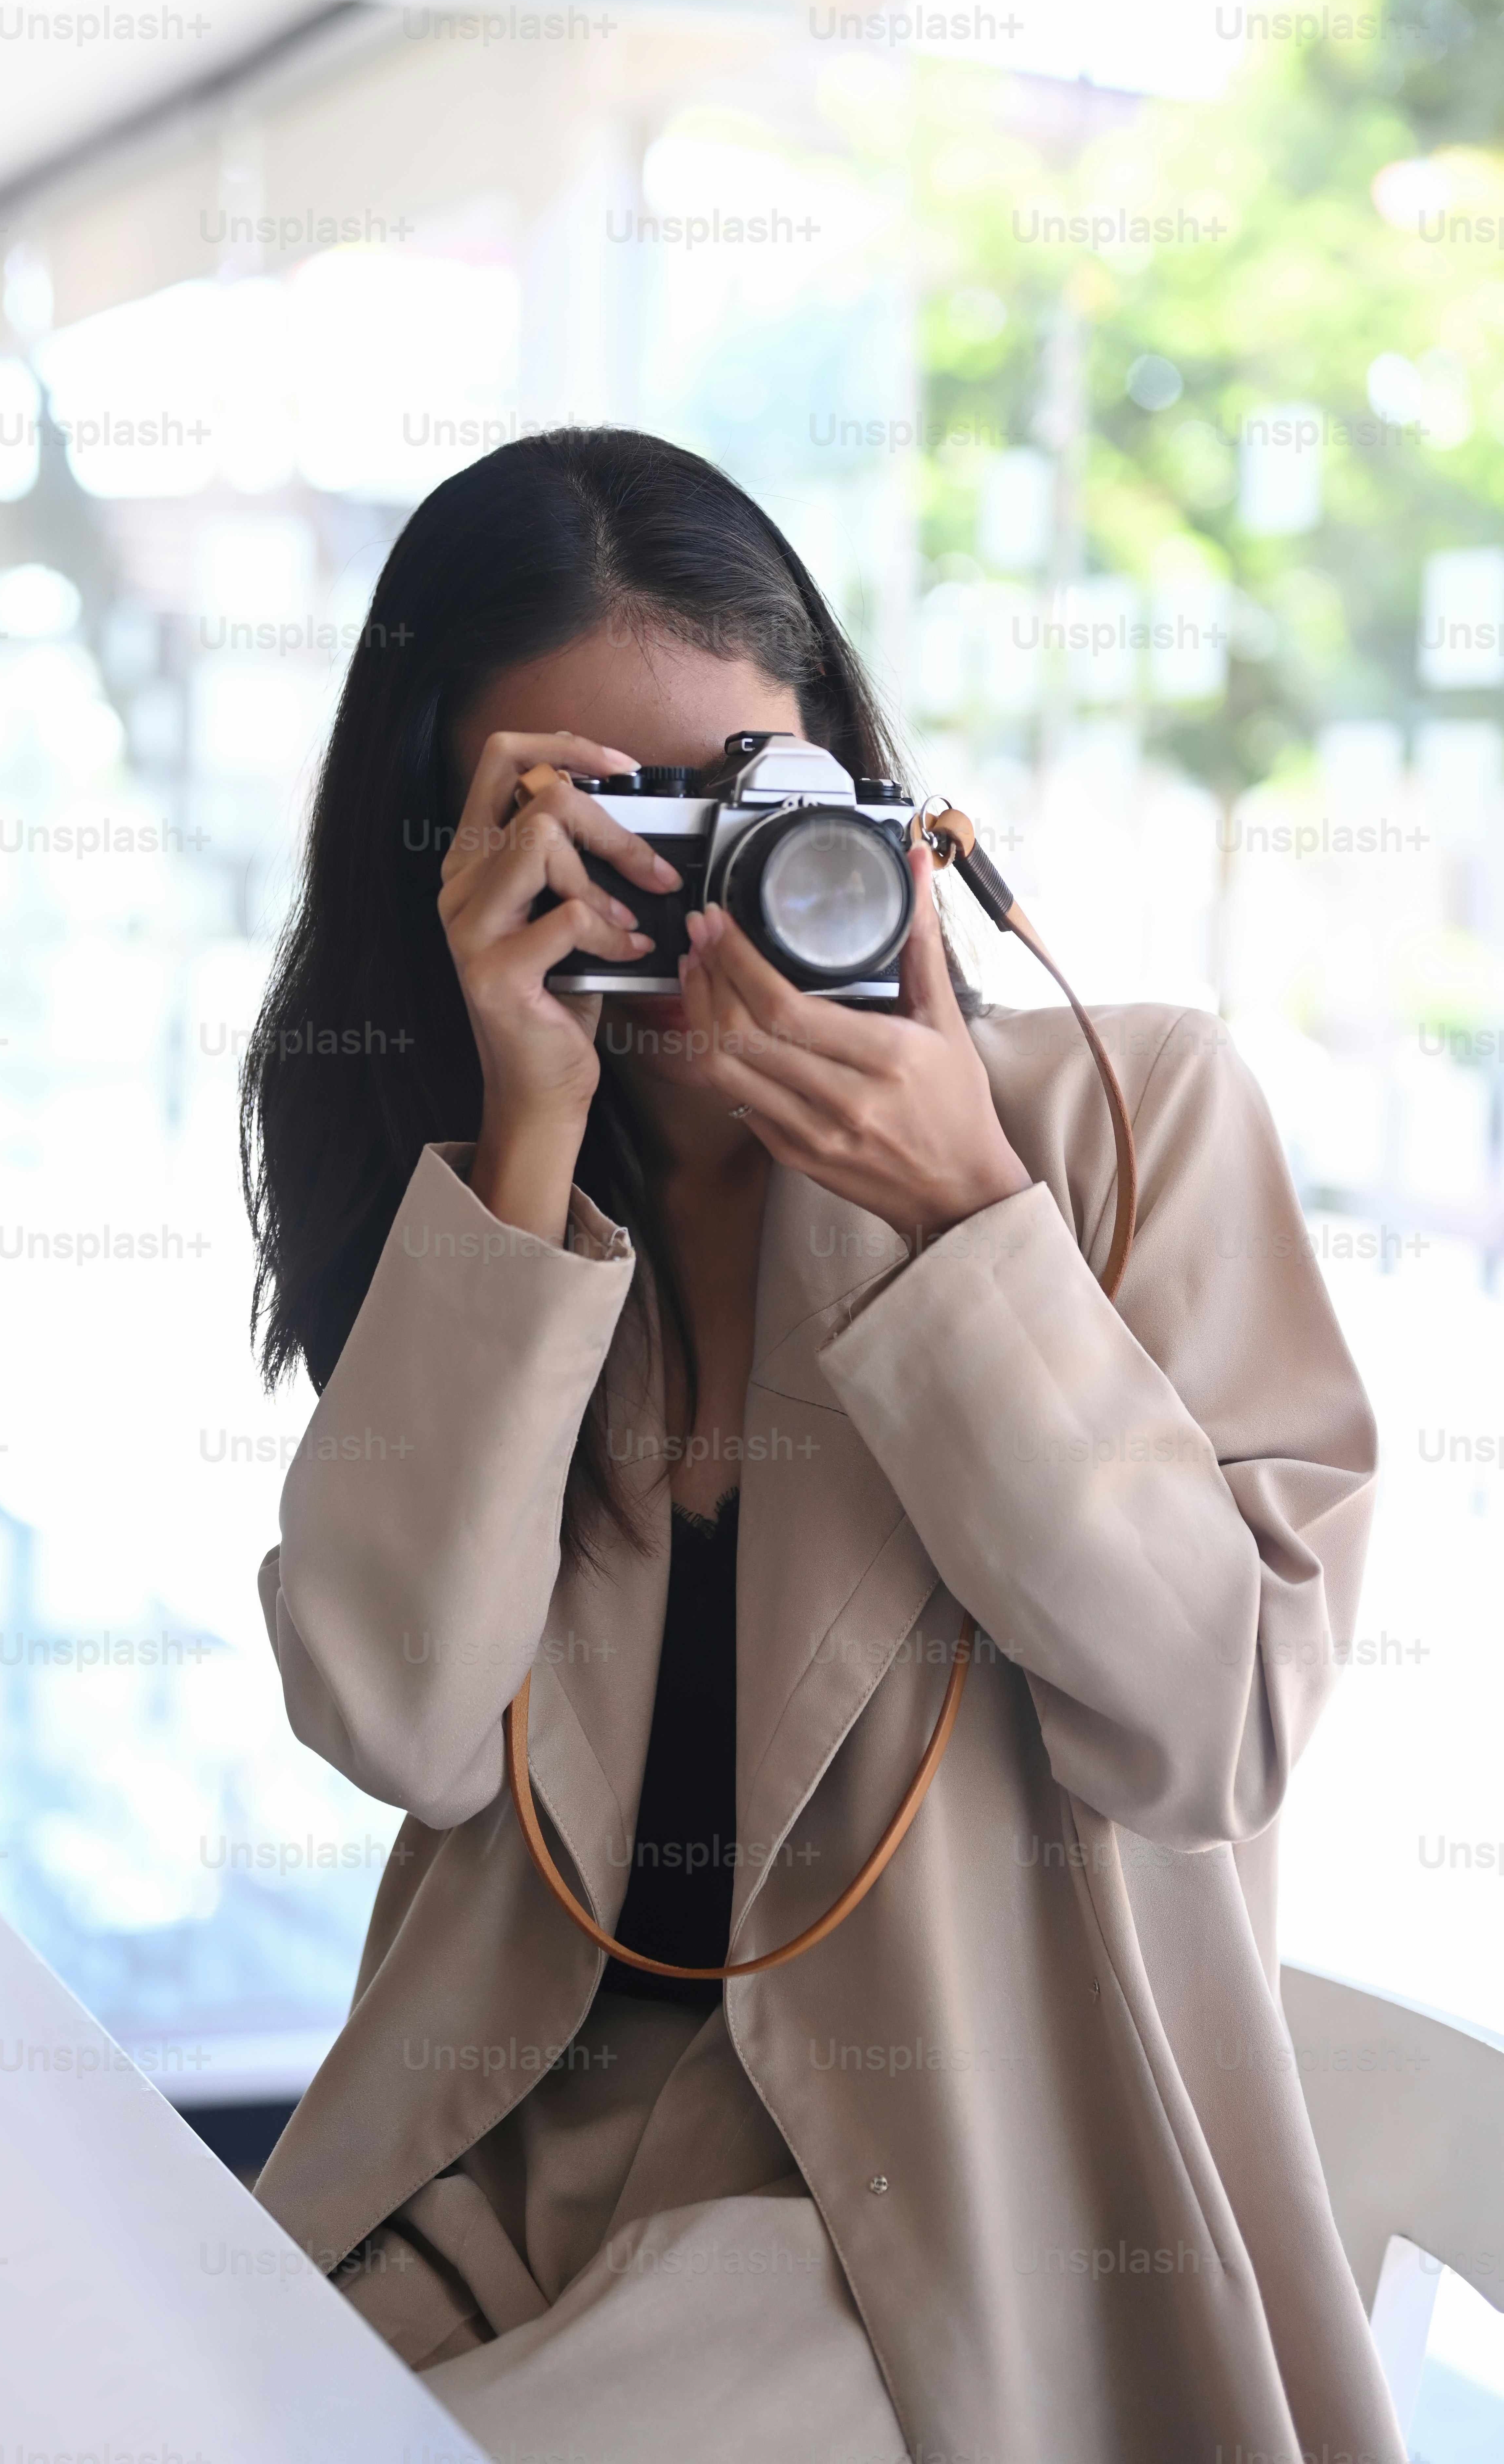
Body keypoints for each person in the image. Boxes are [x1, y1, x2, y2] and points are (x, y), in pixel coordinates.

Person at [240, 429, 1403, 2464]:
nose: (690, 895)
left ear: (868, 795)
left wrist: (967, 1230)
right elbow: (399, 1719)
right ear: (447, 851)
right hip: (506, 2153)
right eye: (600, 825)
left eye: (738, 800)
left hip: (918, 2224)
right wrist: (523, 1139)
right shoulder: (487, 1190)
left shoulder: (1127, 1128)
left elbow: (1210, 1729)